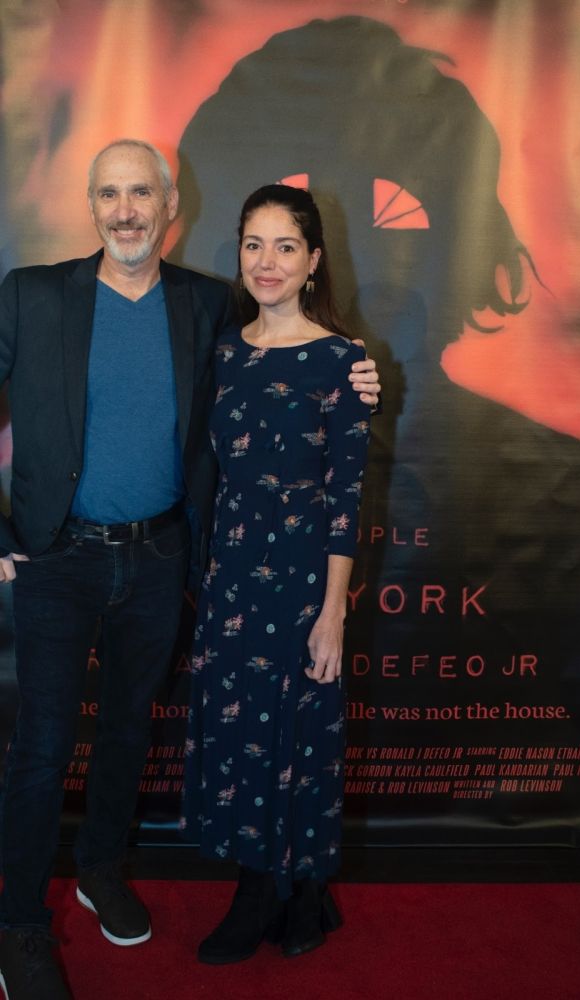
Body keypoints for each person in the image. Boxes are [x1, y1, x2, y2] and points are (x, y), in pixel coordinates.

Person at [0, 139, 379, 1000]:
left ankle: (100, 868)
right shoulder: (31, 293)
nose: (125, 210)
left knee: (128, 732)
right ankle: (19, 923)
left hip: (162, 556)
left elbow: (294, 363)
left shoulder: (207, 305)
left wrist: (359, 380)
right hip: (56, 557)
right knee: (43, 748)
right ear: (91, 205)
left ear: (170, 205)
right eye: (109, 193)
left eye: (142, 192)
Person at [180, 183, 370, 963]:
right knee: (239, 732)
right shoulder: (224, 351)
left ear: (313, 259)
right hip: (230, 577)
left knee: (293, 732)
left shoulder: (343, 362)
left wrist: (332, 613)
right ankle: (297, 890)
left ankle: (269, 889)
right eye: (253, 244)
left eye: (285, 246)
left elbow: (345, 497)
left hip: (301, 586)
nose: (267, 261)